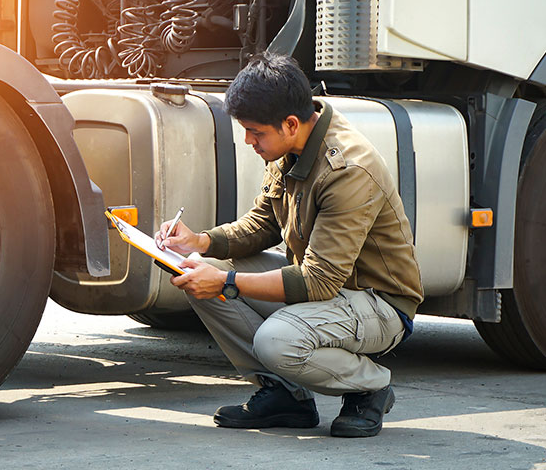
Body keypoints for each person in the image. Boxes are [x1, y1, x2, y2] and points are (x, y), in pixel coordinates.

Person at [155, 52, 423, 438]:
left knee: (276, 340)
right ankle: (285, 396)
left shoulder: (347, 168)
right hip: (329, 290)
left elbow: (317, 282)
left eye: (255, 132)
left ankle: (370, 387)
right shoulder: (291, 145)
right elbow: (263, 224)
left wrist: (227, 281)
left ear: (290, 123)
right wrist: (199, 241)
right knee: (194, 272)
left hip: (378, 303)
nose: (249, 141)